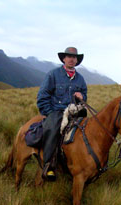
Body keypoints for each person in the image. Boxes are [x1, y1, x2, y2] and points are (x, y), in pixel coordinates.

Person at [37, 47, 87, 180]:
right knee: (53, 130)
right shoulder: (53, 74)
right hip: (57, 111)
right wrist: (49, 113)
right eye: (69, 56)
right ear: (64, 59)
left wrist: (82, 97)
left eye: (74, 57)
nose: (71, 59)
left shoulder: (80, 79)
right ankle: (49, 166)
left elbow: (85, 97)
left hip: (75, 111)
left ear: (77, 60)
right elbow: (43, 95)